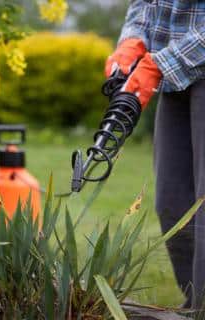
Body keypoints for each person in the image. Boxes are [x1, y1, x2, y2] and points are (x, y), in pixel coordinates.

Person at [105, 0, 205, 309]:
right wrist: (132, 39)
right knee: (173, 204)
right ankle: (195, 305)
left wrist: (161, 63)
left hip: (176, 61)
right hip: (174, 75)